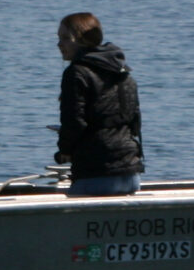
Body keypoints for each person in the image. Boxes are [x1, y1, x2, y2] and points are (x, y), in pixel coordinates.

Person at [55, 12, 142, 196]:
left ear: (81, 40)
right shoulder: (123, 72)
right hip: (131, 176)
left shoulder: (76, 73)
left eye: (65, 38)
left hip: (97, 174)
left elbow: (74, 122)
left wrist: (64, 151)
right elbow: (134, 122)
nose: (59, 44)